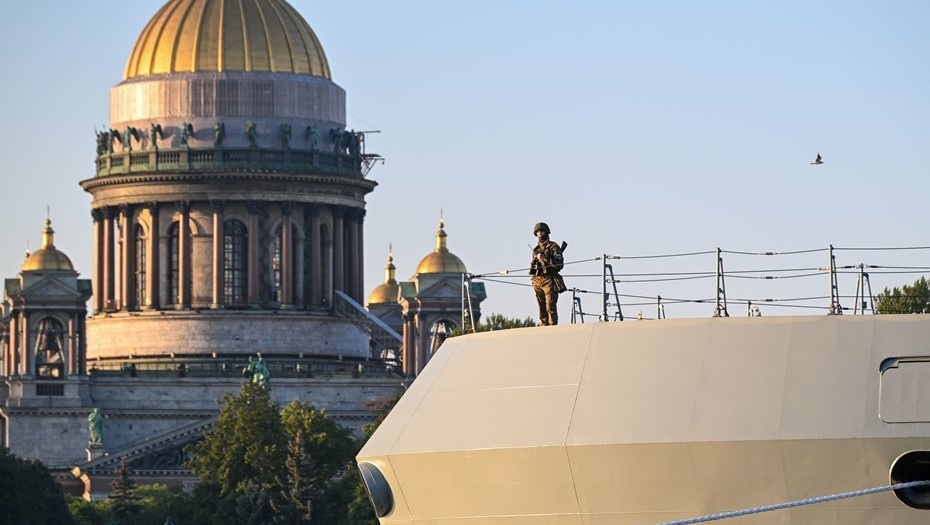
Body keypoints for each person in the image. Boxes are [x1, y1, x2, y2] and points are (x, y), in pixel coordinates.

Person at [530, 222, 566, 326]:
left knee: (550, 306)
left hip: (549, 280)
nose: (540, 233)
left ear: (546, 232)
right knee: (541, 307)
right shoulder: (536, 249)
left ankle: (552, 327)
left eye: (542, 231)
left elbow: (559, 265)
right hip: (537, 281)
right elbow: (533, 268)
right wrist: (534, 262)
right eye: (538, 232)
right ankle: (544, 327)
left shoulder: (553, 247)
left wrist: (545, 258)